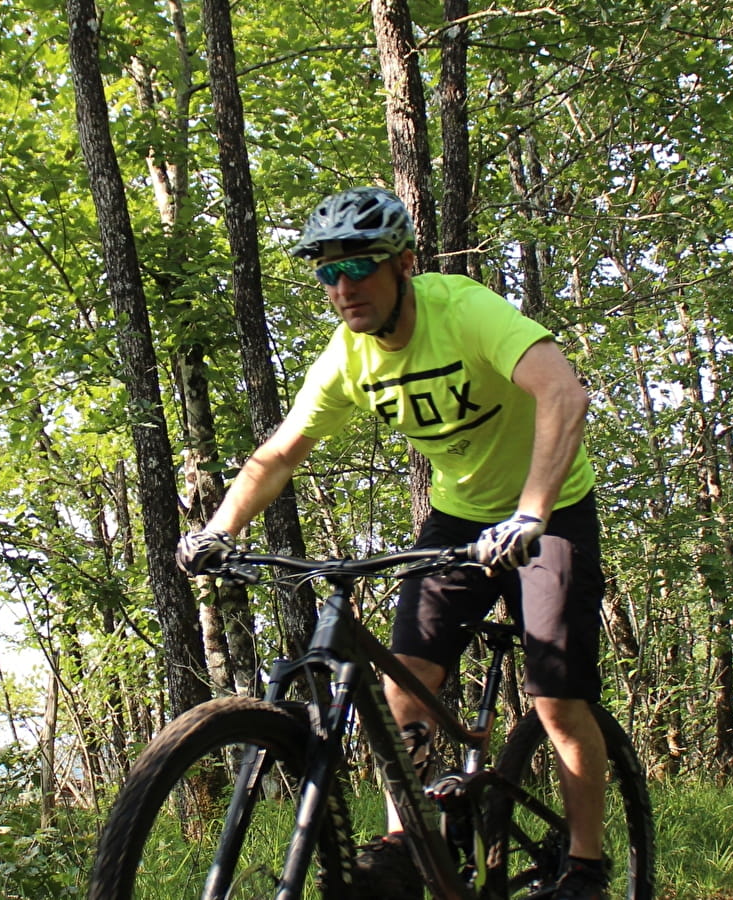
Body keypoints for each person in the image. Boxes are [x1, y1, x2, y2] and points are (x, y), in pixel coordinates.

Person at [177, 186, 611, 900]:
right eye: (326, 272)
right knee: (405, 681)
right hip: (458, 516)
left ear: (403, 262)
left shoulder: (463, 310)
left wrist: (532, 511)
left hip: (549, 510)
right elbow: (281, 454)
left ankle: (588, 869)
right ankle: (408, 844)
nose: (343, 287)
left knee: (557, 703)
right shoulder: (347, 358)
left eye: (359, 266)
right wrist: (220, 529)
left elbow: (563, 393)